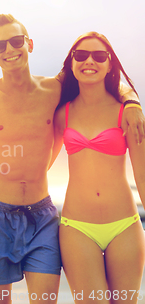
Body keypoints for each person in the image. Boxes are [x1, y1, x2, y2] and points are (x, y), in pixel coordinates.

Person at [0, 14, 145, 304]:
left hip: (42, 217)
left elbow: (98, 72)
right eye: (0, 46)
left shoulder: (53, 90)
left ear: (29, 43)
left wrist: (132, 100)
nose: (9, 50)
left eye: (16, 41)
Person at [52, 32, 145, 303]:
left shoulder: (126, 113)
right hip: (76, 227)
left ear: (109, 64)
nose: (89, 61)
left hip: (125, 226)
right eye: (80, 55)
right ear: (71, 63)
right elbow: (41, 163)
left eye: (99, 55)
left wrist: (132, 101)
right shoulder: (62, 114)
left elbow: (141, 174)